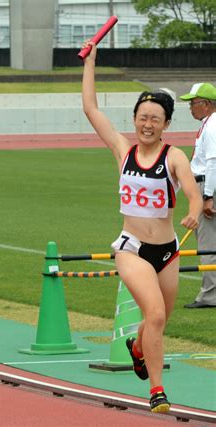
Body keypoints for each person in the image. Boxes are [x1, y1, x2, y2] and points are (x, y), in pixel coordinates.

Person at [81, 41, 202, 413]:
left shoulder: (174, 156)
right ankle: (157, 390)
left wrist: (194, 212)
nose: (147, 124)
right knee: (156, 315)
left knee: (156, 324)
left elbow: (194, 195)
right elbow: (90, 108)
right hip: (131, 247)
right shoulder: (123, 150)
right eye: (142, 117)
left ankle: (137, 347)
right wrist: (91, 62)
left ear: (166, 124)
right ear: (135, 119)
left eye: (155, 119)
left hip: (166, 251)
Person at [179, 83, 216, 309]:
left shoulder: (211, 127)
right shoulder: (209, 124)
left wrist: (208, 196)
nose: (191, 108)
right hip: (205, 186)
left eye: (193, 103)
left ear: (207, 104)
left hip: (207, 188)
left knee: (208, 244)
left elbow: (213, 162)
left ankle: (210, 296)